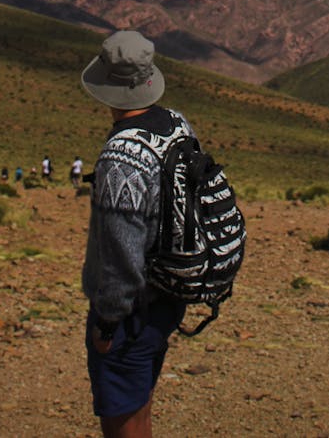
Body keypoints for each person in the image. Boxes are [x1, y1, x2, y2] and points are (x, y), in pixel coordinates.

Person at [80, 29, 190, 438]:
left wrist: (107, 324)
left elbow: (122, 256)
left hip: (131, 311)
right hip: (168, 296)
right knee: (139, 404)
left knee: (123, 423)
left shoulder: (120, 157)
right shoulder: (177, 124)